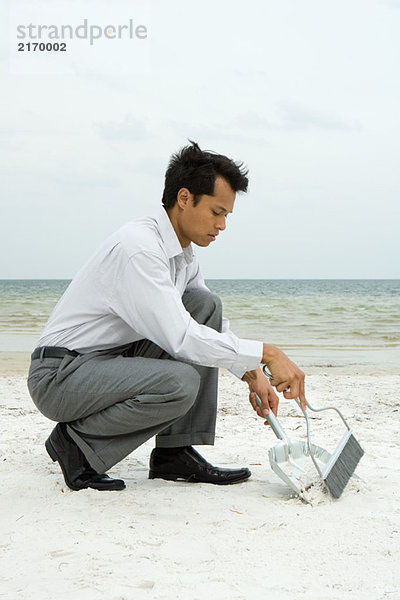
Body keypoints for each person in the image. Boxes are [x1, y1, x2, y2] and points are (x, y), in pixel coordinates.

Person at [27, 141, 305, 492]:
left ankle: (174, 453)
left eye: (226, 216)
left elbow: (202, 323)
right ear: (185, 198)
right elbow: (182, 338)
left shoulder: (182, 255)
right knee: (180, 382)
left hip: (108, 363)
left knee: (206, 305)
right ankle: (77, 444)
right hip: (61, 376)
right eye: (217, 212)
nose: (222, 225)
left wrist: (252, 374)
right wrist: (269, 354)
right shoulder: (140, 248)